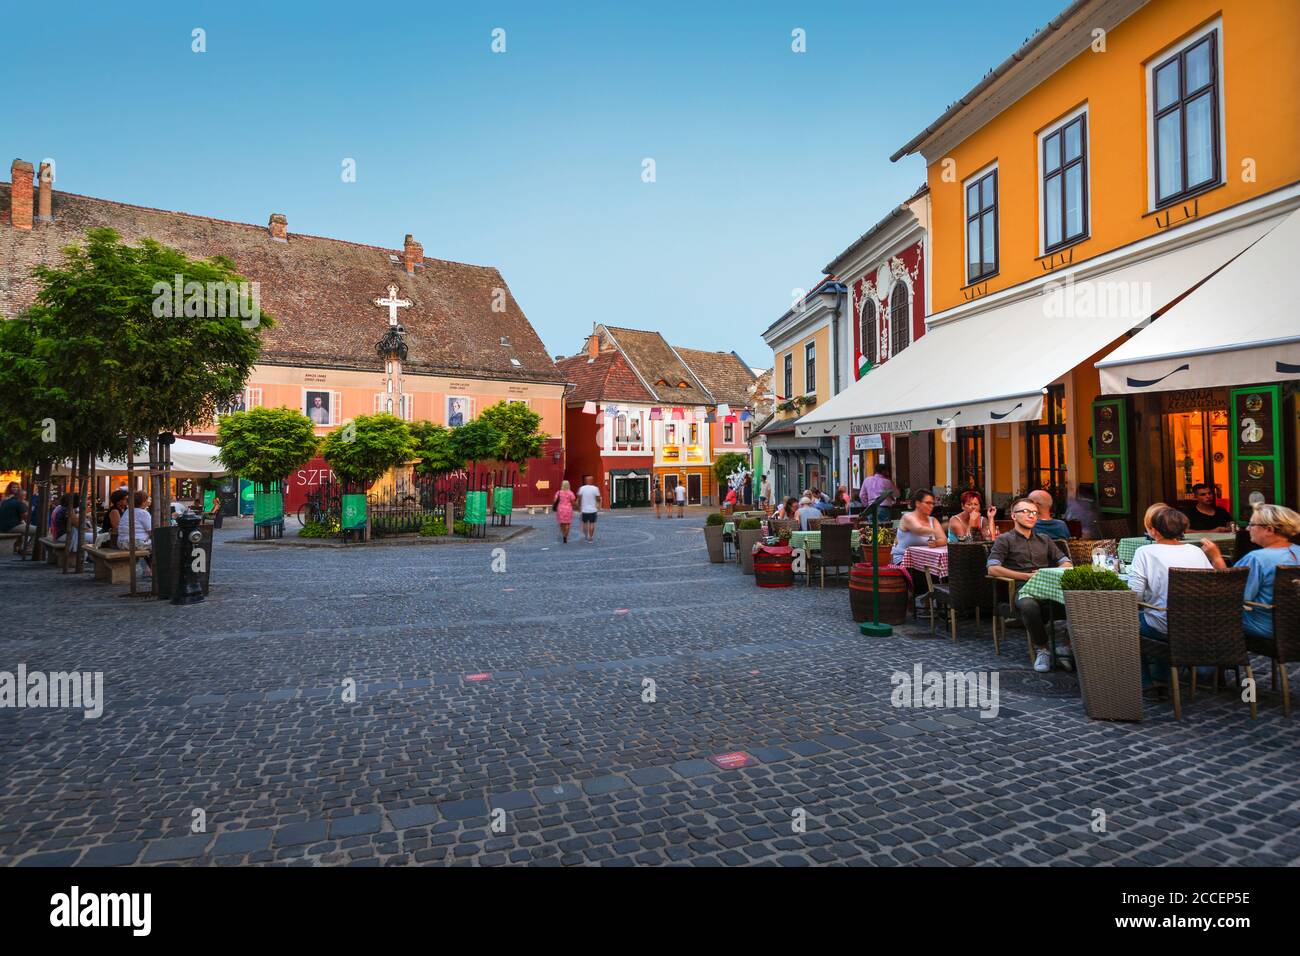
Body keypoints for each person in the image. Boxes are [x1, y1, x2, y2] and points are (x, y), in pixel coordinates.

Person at [1126, 507, 1213, 691]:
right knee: (1157, 613)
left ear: (1154, 530)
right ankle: (1162, 674)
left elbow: (1134, 596)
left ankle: (1146, 683)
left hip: (1163, 625)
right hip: (1197, 624)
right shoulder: (1195, 551)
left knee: (1124, 624)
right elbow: (1209, 586)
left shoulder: (1145, 552)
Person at [987, 497, 1073, 672]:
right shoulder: (1005, 539)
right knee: (1028, 605)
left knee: (1077, 600)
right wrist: (1024, 576)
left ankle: (1067, 644)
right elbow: (993, 569)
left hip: (1047, 586)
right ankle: (1043, 649)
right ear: (1013, 516)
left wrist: (1051, 572)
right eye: (1025, 512)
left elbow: (1066, 563)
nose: (1031, 515)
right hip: (1021, 587)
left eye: (1034, 512)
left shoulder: (1044, 539)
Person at [1201, 503, 1300, 639]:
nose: (1248, 528)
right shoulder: (1297, 551)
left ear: (1269, 530)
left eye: (1252, 524)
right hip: (1293, 625)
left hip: (1265, 626)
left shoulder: (1257, 559)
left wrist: (1216, 558)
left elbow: (1232, 594)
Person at [891, 489, 946, 563]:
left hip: (923, 560)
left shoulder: (933, 520)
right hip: (903, 560)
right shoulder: (907, 517)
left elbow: (944, 539)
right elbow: (919, 530)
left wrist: (936, 543)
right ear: (917, 503)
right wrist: (939, 529)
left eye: (933, 503)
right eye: (928, 503)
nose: (931, 506)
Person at [576, 475, 601, 542]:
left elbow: (579, 498)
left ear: (585, 481)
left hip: (584, 509)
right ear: (592, 481)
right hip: (593, 509)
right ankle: (590, 537)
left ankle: (586, 536)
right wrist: (598, 504)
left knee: (585, 523)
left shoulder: (582, 488)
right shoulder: (595, 488)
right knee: (592, 523)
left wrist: (579, 506)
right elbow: (598, 498)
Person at [553, 479, 576, 544]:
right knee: (568, 523)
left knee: (562, 523)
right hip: (568, 509)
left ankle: (563, 535)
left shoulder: (558, 492)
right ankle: (566, 536)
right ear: (568, 485)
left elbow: (555, 501)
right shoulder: (570, 493)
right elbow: (573, 501)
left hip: (560, 509)